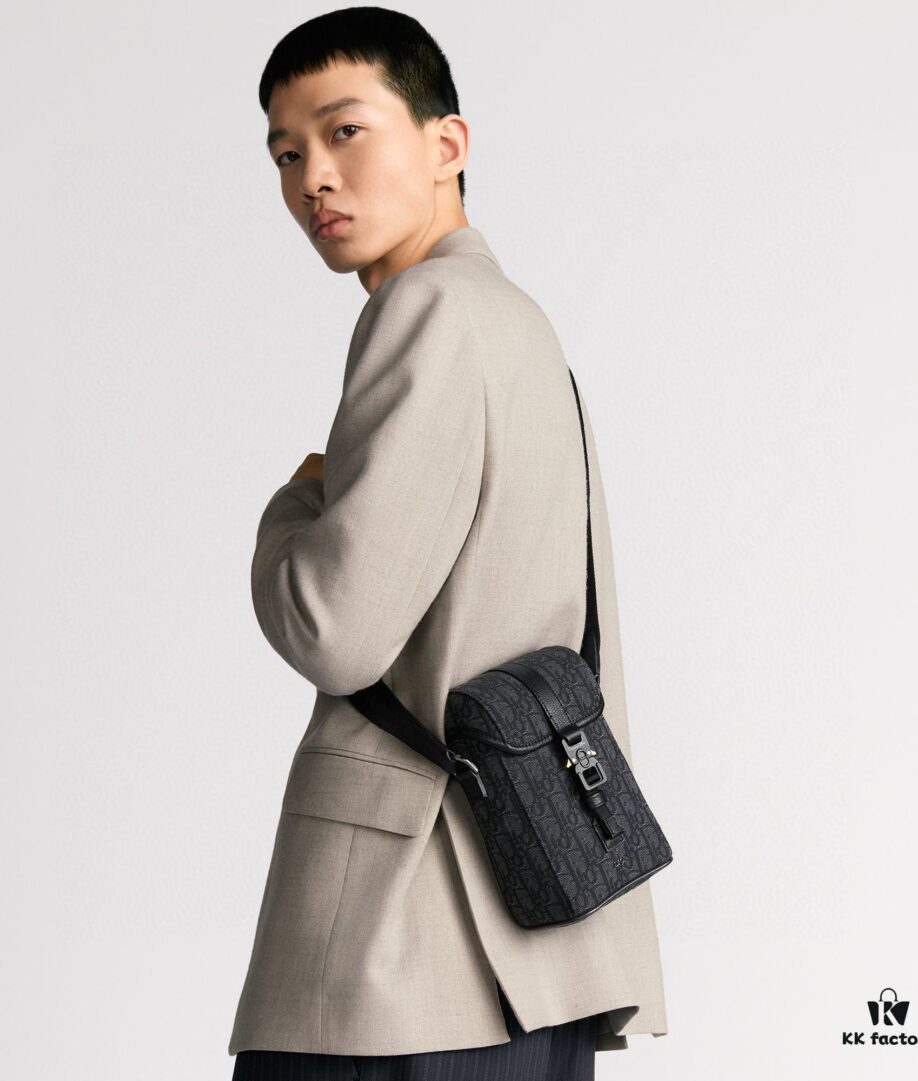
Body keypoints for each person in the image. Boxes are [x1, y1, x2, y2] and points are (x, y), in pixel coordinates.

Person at [228, 7, 669, 1079]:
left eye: (344, 131)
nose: (313, 177)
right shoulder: (519, 324)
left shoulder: (423, 309)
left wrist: (291, 507)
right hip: (541, 933)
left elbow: (335, 632)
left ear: (446, 145)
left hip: (401, 953)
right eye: (286, 154)